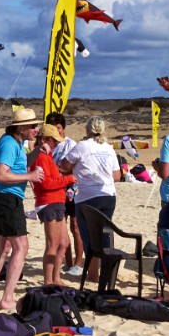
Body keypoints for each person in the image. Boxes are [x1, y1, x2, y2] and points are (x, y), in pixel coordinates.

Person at [0, 114, 41, 312]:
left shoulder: (18, 143)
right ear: (20, 128)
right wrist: (30, 176)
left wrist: (38, 151)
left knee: (4, 246)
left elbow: (19, 164)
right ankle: (7, 297)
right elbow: (1, 174)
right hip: (6, 198)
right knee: (21, 246)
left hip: (6, 197)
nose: (36, 129)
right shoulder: (9, 143)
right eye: (33, 126)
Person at [63, 116, 123, 270]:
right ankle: (108, 272)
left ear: (87, 130)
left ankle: (93, 274)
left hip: (87, 196)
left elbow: (63, 166)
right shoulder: (109, 148)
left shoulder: (82, 146)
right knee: (106, 234)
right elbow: (117, 176)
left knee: (90, 237)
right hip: (108, 195)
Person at [31, 121, 74, 287]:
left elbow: (51, 180)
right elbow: (46, 183)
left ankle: (55, 278)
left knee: (63, 243)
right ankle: (48, 281)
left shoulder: (46, 156)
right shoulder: (40, 157)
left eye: (56, 142)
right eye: (53, 141)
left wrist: (64, 179)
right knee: (53, 244)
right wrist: (68, 179)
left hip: (57, 201)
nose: (56, 144)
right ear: (44, 140)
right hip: (48, 202)